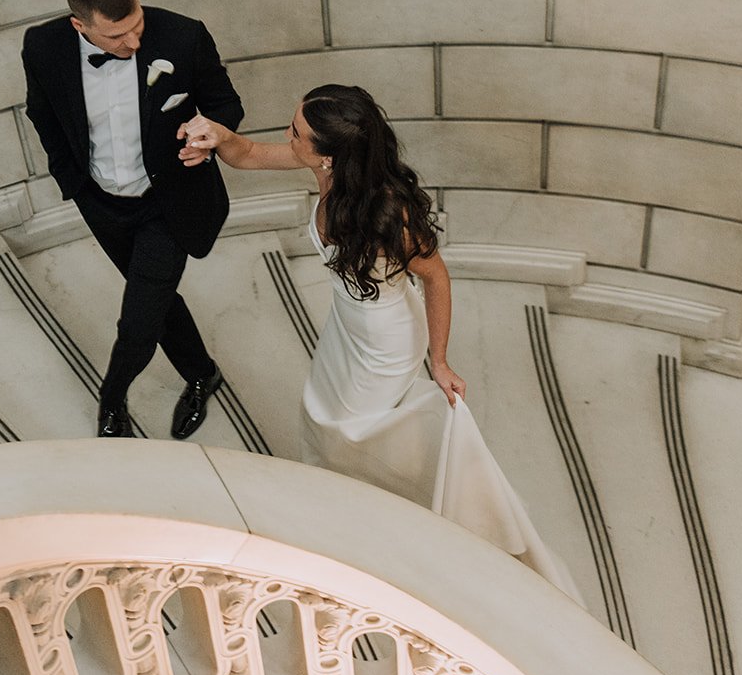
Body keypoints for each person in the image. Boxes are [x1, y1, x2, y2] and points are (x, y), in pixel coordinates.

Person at [178, 85, 582, 601]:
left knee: (351, 423)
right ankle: (342, 485)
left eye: (296, 132)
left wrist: (439, 360)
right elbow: (249, 153)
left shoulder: (389, 214)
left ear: (328, 154)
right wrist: (218, 135)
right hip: (348, 324)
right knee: (324, 407)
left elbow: (436, 278)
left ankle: (386, 498)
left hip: (385, 340)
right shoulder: (325, 167)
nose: (287, 136)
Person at [22, 0, 244, 439]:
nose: (134, 43)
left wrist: (210, 135)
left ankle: (112, 400)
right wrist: (72, 181)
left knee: (139, 320)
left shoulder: (183, 36)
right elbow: (42, 114)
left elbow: (226, 105)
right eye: (116, 36)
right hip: (101, 203)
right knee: (157, 298)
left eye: (137, 26)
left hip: (168, 200)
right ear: (80, 26)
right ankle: (203, 373)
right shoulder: (43, 46)